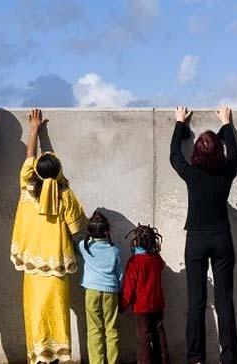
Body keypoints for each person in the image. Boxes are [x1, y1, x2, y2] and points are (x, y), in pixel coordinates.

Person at [10, 108, 88, 363]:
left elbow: (29, 157)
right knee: (57, 314)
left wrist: (34, 130)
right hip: (57, 268)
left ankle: (38, 357)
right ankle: (57, 357)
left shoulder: (27, 188)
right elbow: (78, 229)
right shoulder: (65, 196)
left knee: (35, 314)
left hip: (33, 270)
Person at [169, 106, 237, 364]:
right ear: (218, 154)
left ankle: (195, 358)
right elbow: (233, 154)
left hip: (196, 241)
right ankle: (229, 359)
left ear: (197, 153)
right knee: (224, 301)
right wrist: (226, 124)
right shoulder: (227, 173)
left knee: (196, 302)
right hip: (222, 238)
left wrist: (179, 123)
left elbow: (174, 154)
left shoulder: (191, 174)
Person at [77, 211, 122, 364]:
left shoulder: (84, 247)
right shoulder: (115, 250)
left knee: (94, 329)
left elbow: (74, 244)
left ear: (89, 232)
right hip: (111, 292)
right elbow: (120, 275)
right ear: (107, 231)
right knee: (112, 329)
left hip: (91, 292)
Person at [121, 224, 170, 364]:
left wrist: (122, 305)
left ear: (136, 241)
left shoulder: (134, 262)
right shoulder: (156, 259)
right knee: (159, 332)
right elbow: (162, 266)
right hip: (158, 303)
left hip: (141, 306)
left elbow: (129, 289)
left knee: (144, 337)